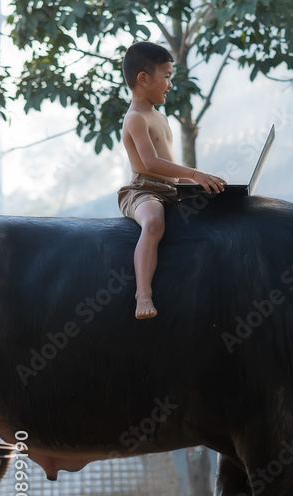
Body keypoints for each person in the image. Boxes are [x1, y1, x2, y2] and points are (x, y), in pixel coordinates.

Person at [118, 42, 226, 319]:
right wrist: (194, 173)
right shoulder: (136, 119)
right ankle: (143, 294)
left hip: (172, 190)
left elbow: (171, 170)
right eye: (166, 76)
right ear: (144, 79)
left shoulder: (160, 117)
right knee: (154, 221)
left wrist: (201, 185)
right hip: (144, 191)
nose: (169, 84)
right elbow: (151, 163)